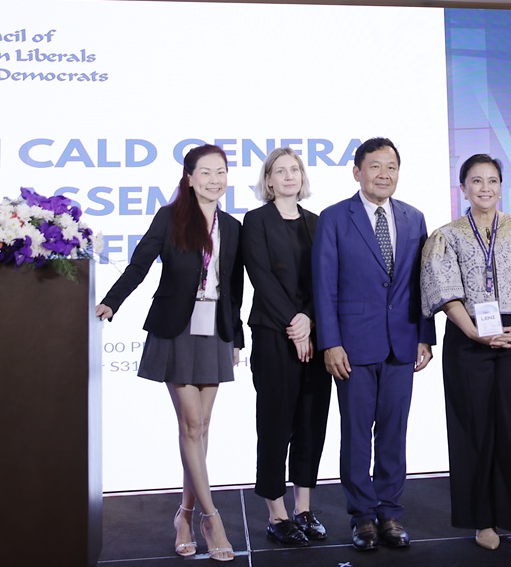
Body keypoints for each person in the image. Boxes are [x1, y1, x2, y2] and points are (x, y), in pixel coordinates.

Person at [96, 144, 244, 561]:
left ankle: (184, 514)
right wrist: (111, 301)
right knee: (192, 424)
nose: (215, 180)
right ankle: (212, 519)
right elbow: (140, 264)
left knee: (202, 427)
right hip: (176, 328)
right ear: (189, 178)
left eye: (221, 172)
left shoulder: (233, 226)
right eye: (206, 172)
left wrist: (236, 338)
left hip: (215, 329)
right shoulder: (170, 217)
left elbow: (234, 288)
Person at [421, 154, 511, 552]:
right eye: (476, 181)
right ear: (463, 188)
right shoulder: (447, 236)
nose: (484, 188)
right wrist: (473, 333)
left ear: (501, 187)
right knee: (474, 430)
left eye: (492, 180)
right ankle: (482, 521)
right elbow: (443, 291)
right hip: (468, 338)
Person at [312, 137, 436, 552]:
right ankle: (362, 516)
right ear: (357, 172)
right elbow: (324, 287)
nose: (384, 174)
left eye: (391, 167)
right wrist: (330, 343)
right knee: (356, 433)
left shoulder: (414, 217)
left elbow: (423, 283)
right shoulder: (334, 218)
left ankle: (389, 512)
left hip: (403, 342)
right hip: (352, 345)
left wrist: (425, 334)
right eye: (376, 166)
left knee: (394, 433)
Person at [241, 147, 332, 546]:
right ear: (269, 180)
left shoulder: (317, 222)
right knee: (275, 422)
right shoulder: (256, 220)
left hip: (315, 333)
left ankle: (304, 509)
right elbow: (260, 276)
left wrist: (308, 319)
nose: (290, 175)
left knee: (312, 421)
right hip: (273, 333)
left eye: (295, 169)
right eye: (281, 170)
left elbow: (326, 279)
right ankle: (276, 513)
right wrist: (294, 325)